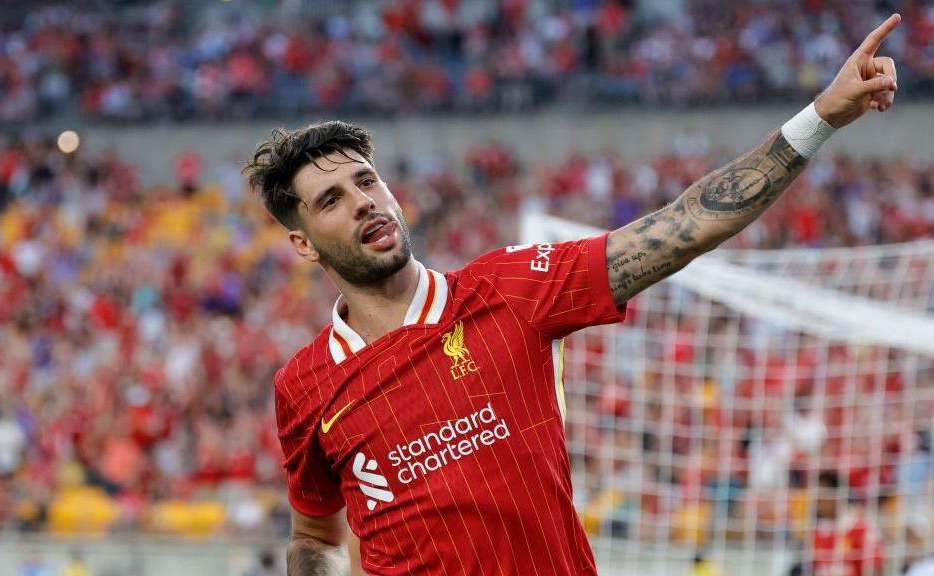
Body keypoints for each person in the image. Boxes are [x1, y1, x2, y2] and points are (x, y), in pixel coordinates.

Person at [244, 14, 904, 576]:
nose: (363, 202)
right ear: (304, 244)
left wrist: (820, 118)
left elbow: (682, 229)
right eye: (332, 199)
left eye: (367, 181)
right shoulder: (304, 386)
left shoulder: (508, 290)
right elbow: (315, 538)